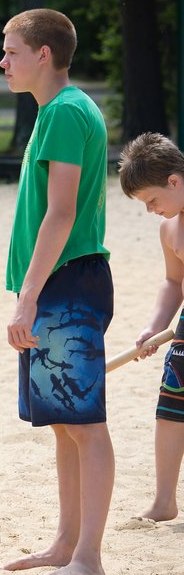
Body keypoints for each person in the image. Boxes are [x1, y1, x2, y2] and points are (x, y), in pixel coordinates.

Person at [1, 8, 114, 575]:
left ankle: (88, 556)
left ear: (44, 54)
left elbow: (62, 213)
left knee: (85, 424)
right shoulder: (55, 112)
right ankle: (66, 542)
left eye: (12, 50)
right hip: (58, 282)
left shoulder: (67, 112)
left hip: (68, 282)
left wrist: (28, 298)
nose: (4, 61)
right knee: (64, 424)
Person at [116, 132, 184, 522]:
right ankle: (164, 501)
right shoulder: (169, 229)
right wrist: (154, 327)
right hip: (183, 330)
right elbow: (174, 282)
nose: (151, 210)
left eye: (153, 201)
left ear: (174, 181)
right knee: (170, 409)